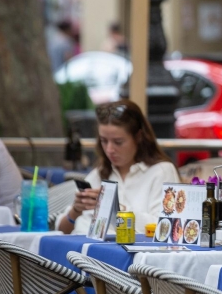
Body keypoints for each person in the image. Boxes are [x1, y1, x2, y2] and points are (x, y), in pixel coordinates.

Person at [57, 100, 180, 234]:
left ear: (138, 137)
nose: (109, 149)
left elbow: (167, 228)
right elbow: (61, 229)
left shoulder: (161, 171)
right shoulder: (100, 173)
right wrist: (75, 211)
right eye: (104, 141)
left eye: (118, 142)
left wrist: (115, 210)